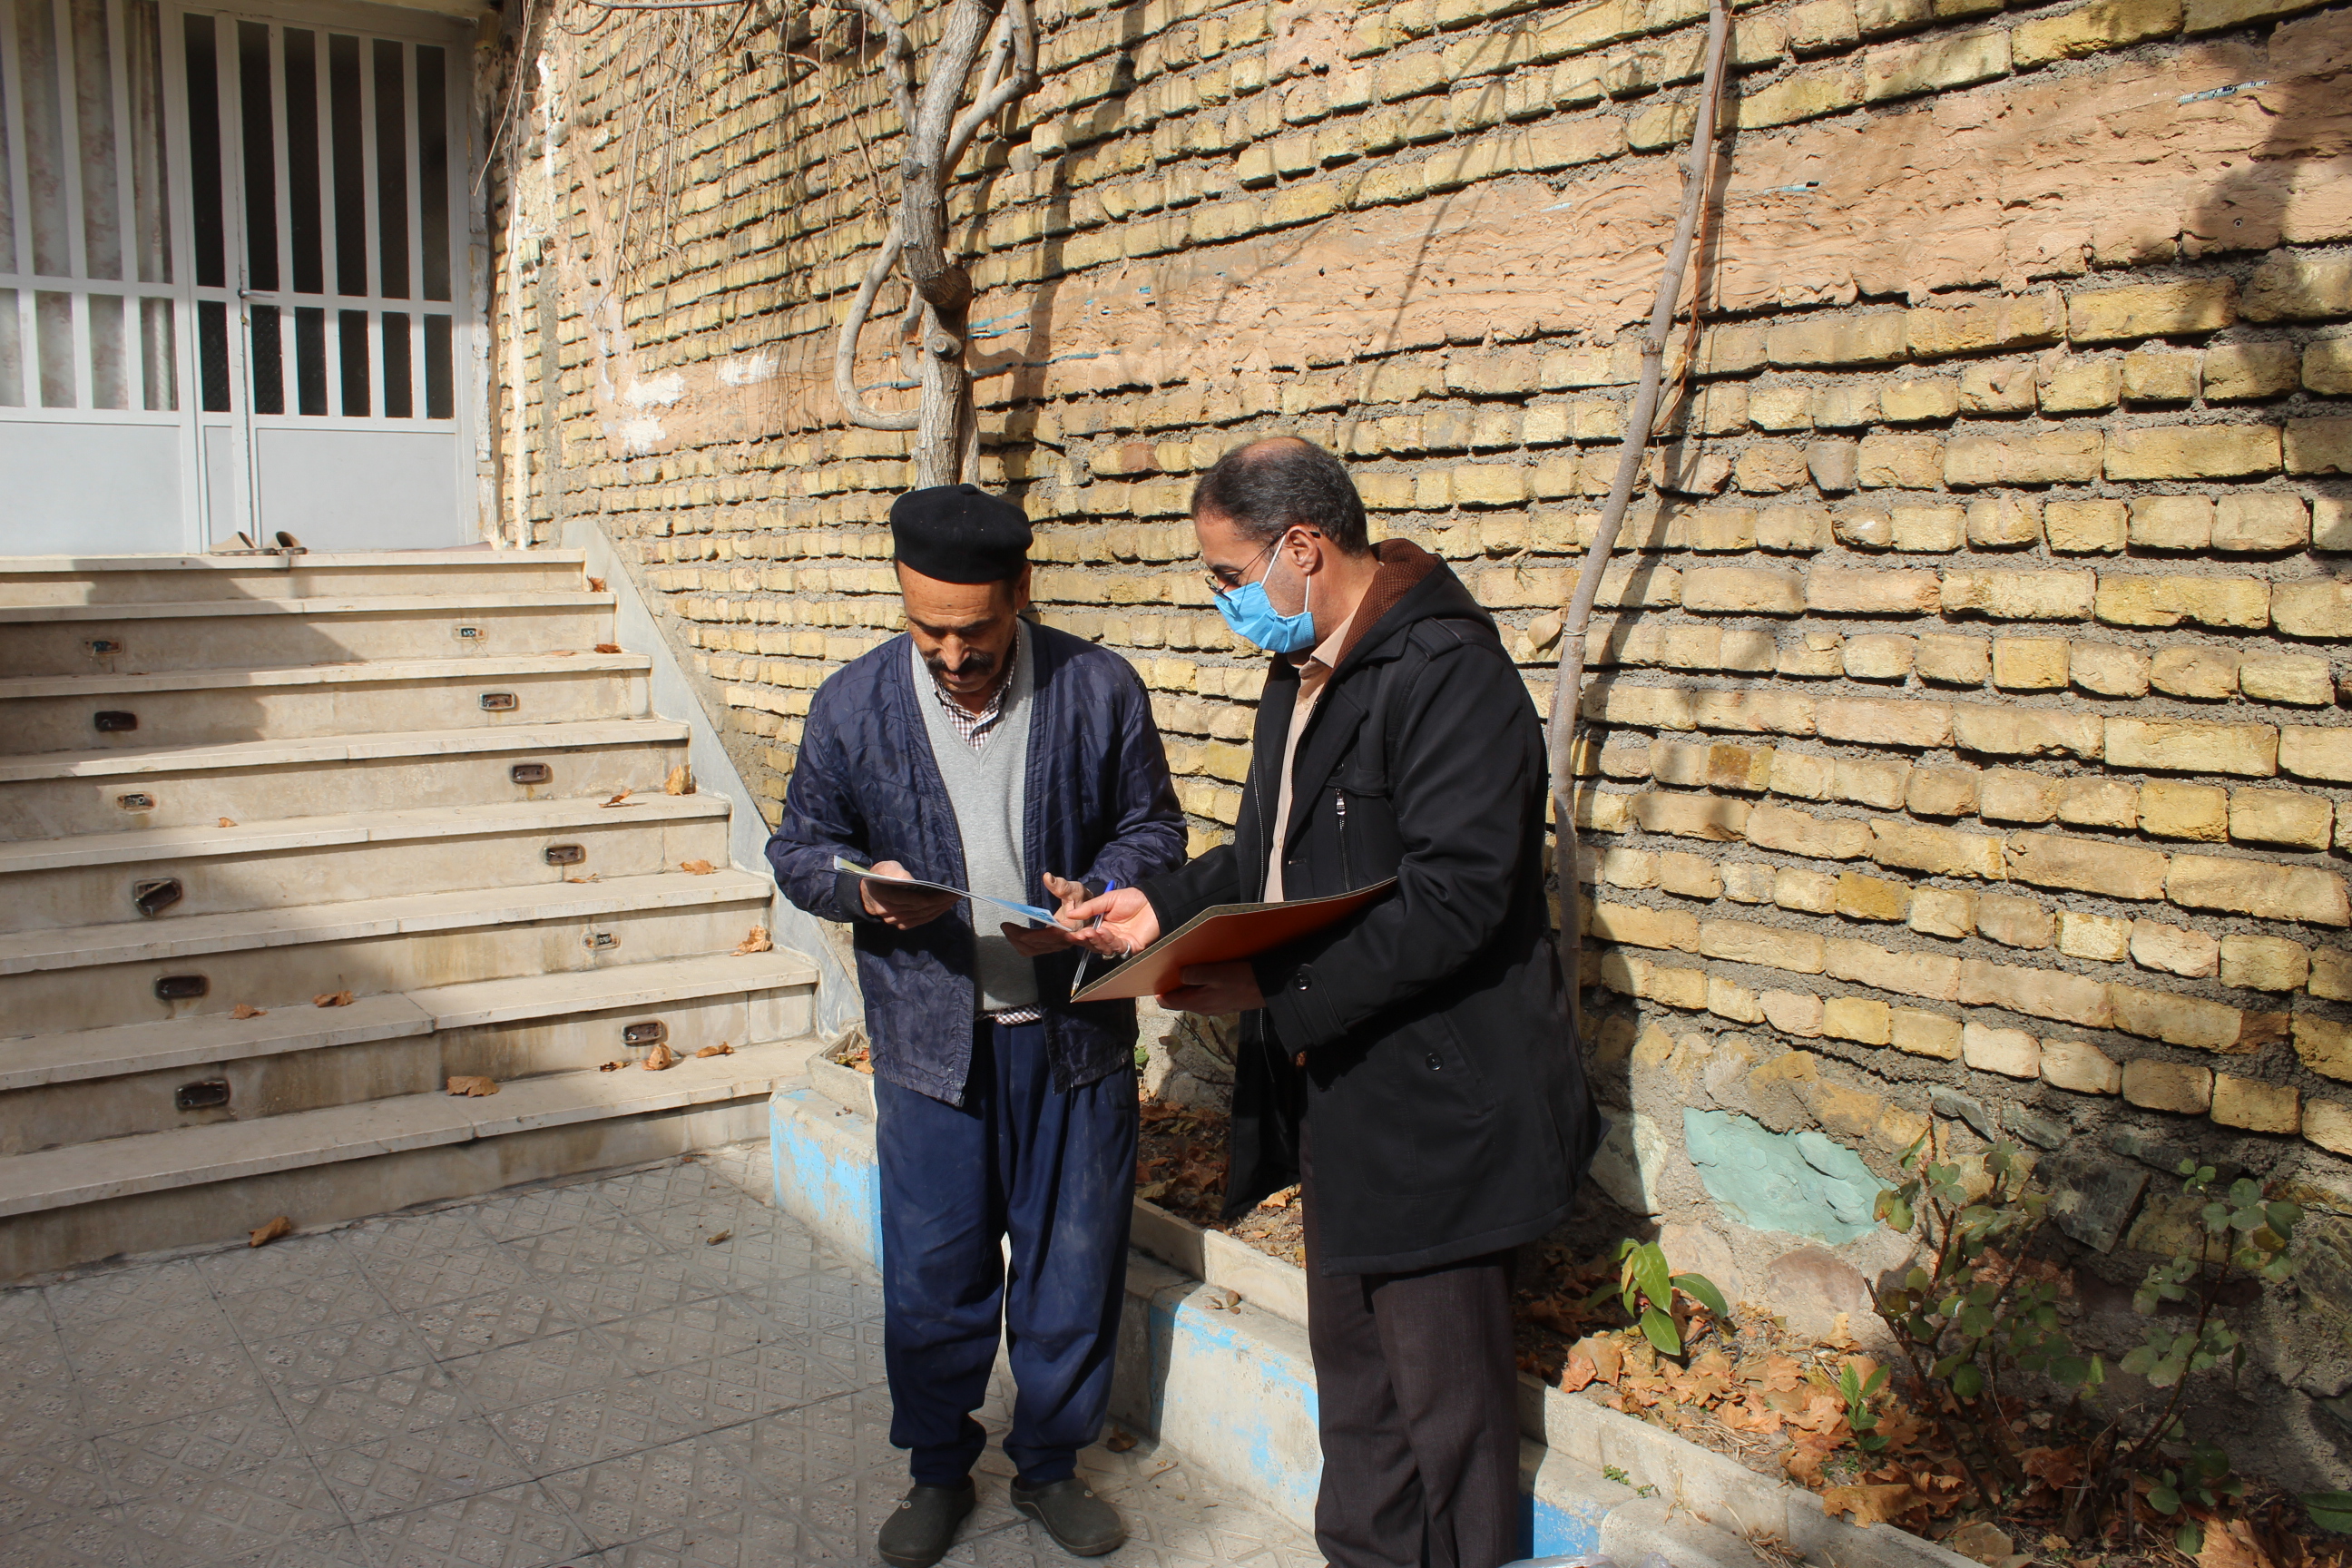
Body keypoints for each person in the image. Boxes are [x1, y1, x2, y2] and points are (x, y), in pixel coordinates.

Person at [1067, 437, 1602, 1568]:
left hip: (1439, 1108)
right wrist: (1153, 907)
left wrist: (1275, 988)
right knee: (1359, 1390)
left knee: (1440, 1405)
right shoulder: (1304, 669)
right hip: (1348, 1096)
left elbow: (1459, 898)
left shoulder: (1450, 673)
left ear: (1302, 549)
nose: (1223, 602)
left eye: (1228, 576)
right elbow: (1269, 860)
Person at [766, 483, 1185, 1568]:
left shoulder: (1099, 689)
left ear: (1024, 594)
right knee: (935, 1272)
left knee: (1072, 1265)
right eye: (928, 630)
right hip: (927, 1048)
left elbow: (1156, 828)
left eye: (978, 631)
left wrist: (1100, 892)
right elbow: (800, 850)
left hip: (1073, 1041)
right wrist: (866, 890)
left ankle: (1049, 1467)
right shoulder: (853, 706)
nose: (953, 655)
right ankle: (938, 1472)